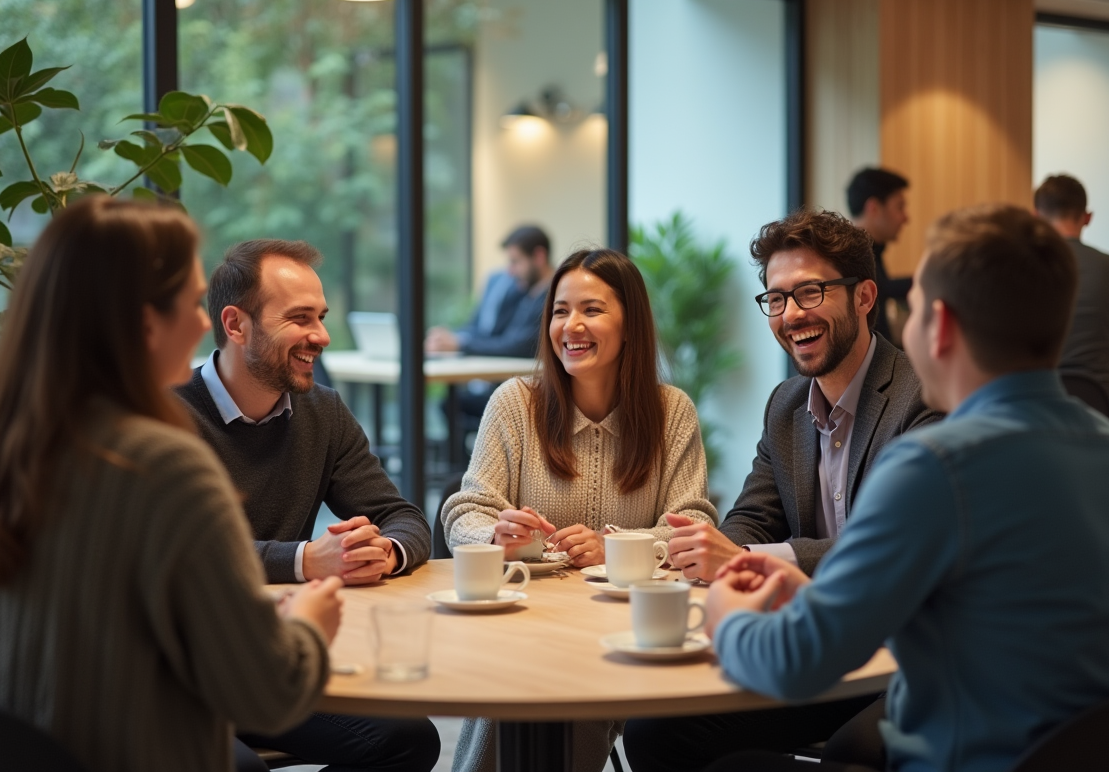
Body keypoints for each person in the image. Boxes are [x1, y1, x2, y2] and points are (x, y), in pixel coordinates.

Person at [702, 204, 1109, 772]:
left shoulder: (938, 465)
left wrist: (725, 615)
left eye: (913, 309)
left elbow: (796, 662)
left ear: (940, 327)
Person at [0, 197, 344, 772]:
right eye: (190, 302)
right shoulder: (161, 467)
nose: (201, 322)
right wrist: (308, 627)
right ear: (142, 323)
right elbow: (266, 691)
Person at [624, 210, 938, 772]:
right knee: (659, 728)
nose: (791, 315)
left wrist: (745, 558)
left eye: (809, 293)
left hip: (902, 653)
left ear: (864, 297)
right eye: (776, 299)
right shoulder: (787, 405)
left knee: (857, 751)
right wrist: (715, 550)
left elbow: (892, 551)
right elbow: (751, 517)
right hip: (816, 645)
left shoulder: (919, 398)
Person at [442, 248, 719, 772]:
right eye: (560, 311)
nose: (571, 326)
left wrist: (616, 549)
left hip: (626, 634)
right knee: (520, 690)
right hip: (525, 625)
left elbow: (695, 524)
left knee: (575, 693)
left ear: (630, 324)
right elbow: (465, 512)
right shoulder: (514, 403)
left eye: (592, 310)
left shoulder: (671, 412)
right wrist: (495, 535)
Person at [175, 239, 439, 772]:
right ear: (235, 324)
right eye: (299, 318)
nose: (320, 336)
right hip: (183, 669)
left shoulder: (322, 412)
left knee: (409, 740)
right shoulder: (167, 414)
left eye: (320, 317)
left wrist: (383, 552)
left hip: (273, 661)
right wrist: (302, 561)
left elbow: (404, 517)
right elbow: (180, 556)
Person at [1035, 173, 1109, 422]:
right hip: (1098, 422)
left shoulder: (1016, 269)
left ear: (1035, 217)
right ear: (1087, 218)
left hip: (1030, 421)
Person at [425, 224, 555, 358]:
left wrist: (462, 344)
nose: (510, 271)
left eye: (516, 262)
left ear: (539, 256)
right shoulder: (525, 293)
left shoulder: (554, 296)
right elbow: (501, 338)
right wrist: (455, 338)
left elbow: (519, 346)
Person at [847, 167, 911, 343]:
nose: (905, 218)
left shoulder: (872, 251)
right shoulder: (849, 259)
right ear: (873, 207)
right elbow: (882, 288)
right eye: (900, 207)